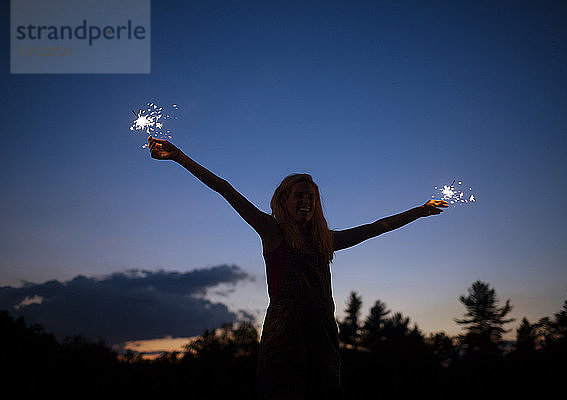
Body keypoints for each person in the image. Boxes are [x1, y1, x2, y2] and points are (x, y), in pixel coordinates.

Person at [148, 137, 448, 400]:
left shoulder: (325, 241)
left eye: (311, 197)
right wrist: (179, 157)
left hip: (323, 335)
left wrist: (420, 211)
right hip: (284, 335)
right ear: (285, 200)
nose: (306, 201)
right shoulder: (272, 231)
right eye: (299, 195)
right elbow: (225, 189)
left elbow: (376, 227)